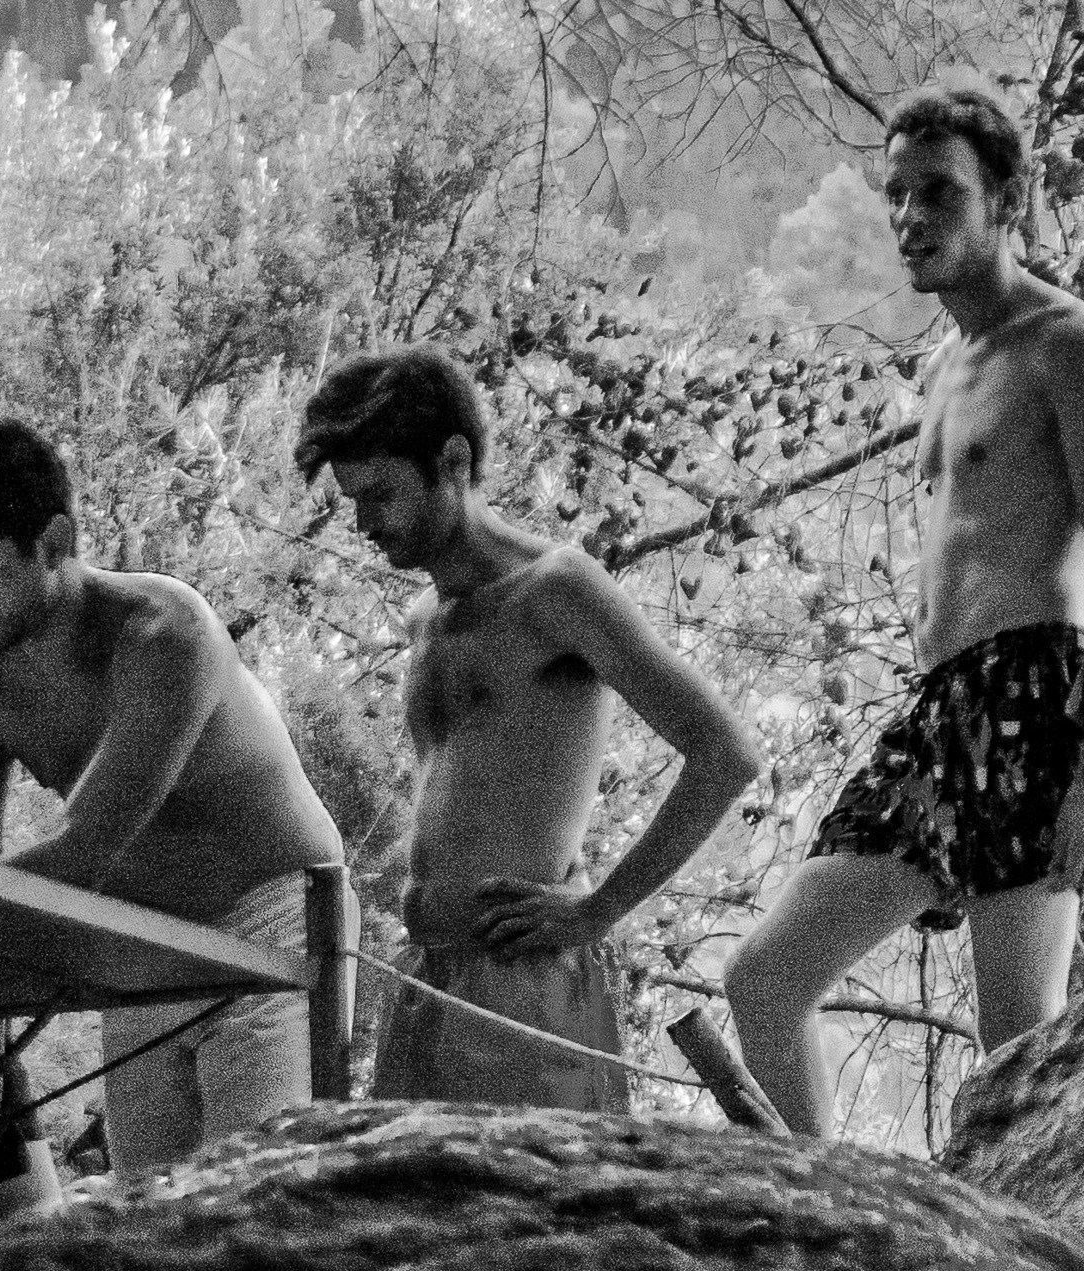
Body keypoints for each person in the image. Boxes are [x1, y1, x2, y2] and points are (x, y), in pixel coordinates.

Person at [721, 84, 1084, 1139]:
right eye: (896, 196)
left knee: (1018, 1067)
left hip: (1030, 705)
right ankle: (828, 1229)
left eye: (938, 194)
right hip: (935, 718)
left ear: (1003, 199)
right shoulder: (944, 364)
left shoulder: (1070, 343)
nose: (910, 219)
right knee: (761, 982)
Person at [299, 346, 762, 1110]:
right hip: (426, 981)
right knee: (414, 1218)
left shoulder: (557, 588)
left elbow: (725, 753)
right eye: (353, 499)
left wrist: (597, 910)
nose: (364, 522)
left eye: (379, 492)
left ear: (452, 460)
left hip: (525, 988)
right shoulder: (425, 618)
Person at [0, 420, 349, 1177]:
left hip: (271, 924)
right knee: (147, 1216)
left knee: (258, 1199)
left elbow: (83, 847)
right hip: (138, 944)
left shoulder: (165, 631)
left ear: (53, 540)